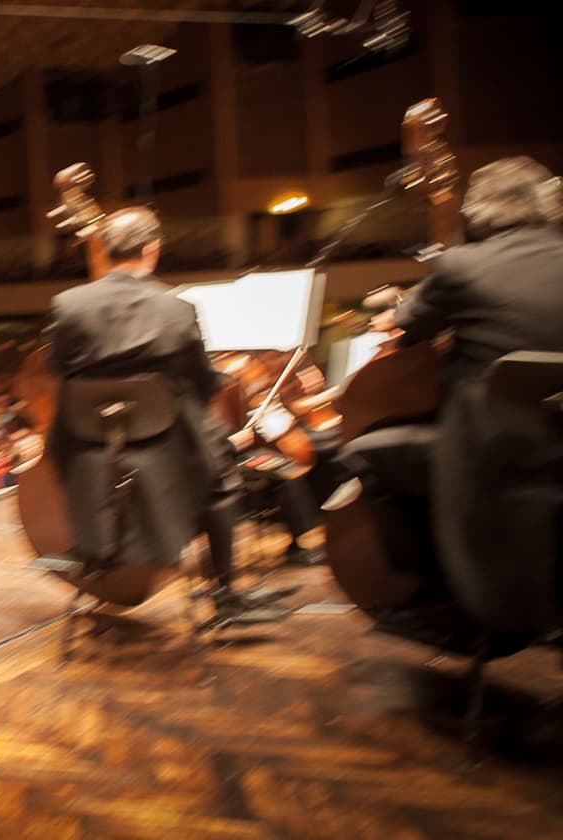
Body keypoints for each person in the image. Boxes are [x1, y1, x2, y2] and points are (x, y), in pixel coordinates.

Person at [338, 157, 563, 628]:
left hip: (491, 447)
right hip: (555, 438)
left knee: (365, 451)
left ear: (479, 212)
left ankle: (433, 590)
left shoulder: (463, 266)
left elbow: (408, 324)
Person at [45, 206, 290, 622]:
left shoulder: (67, 305)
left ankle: (94, 549)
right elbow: (204, 385)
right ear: (152, 250)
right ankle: (225, 595)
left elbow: (57, 369)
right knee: (223, 481)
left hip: (87, 452)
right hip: (162, 458)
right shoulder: (175, 308)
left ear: (104, 250)